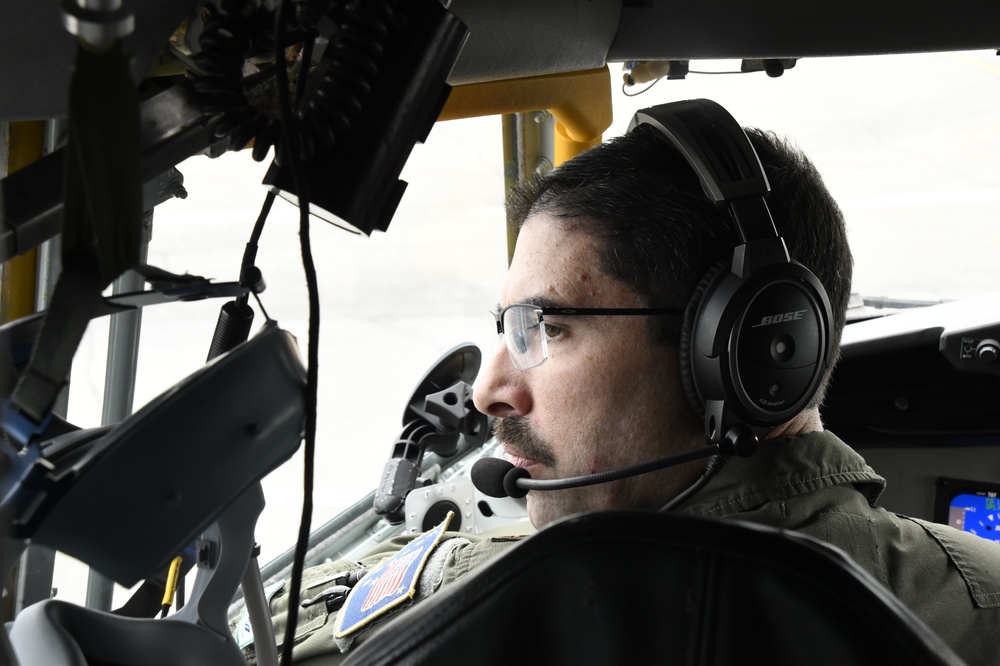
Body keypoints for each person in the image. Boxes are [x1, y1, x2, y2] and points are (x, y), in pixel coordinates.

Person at [241, 100, 1000, 665]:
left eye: (548, 329)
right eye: (507, 330)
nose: (488, 389)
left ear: (740, 348)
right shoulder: (983, 603)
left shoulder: (462, 619)